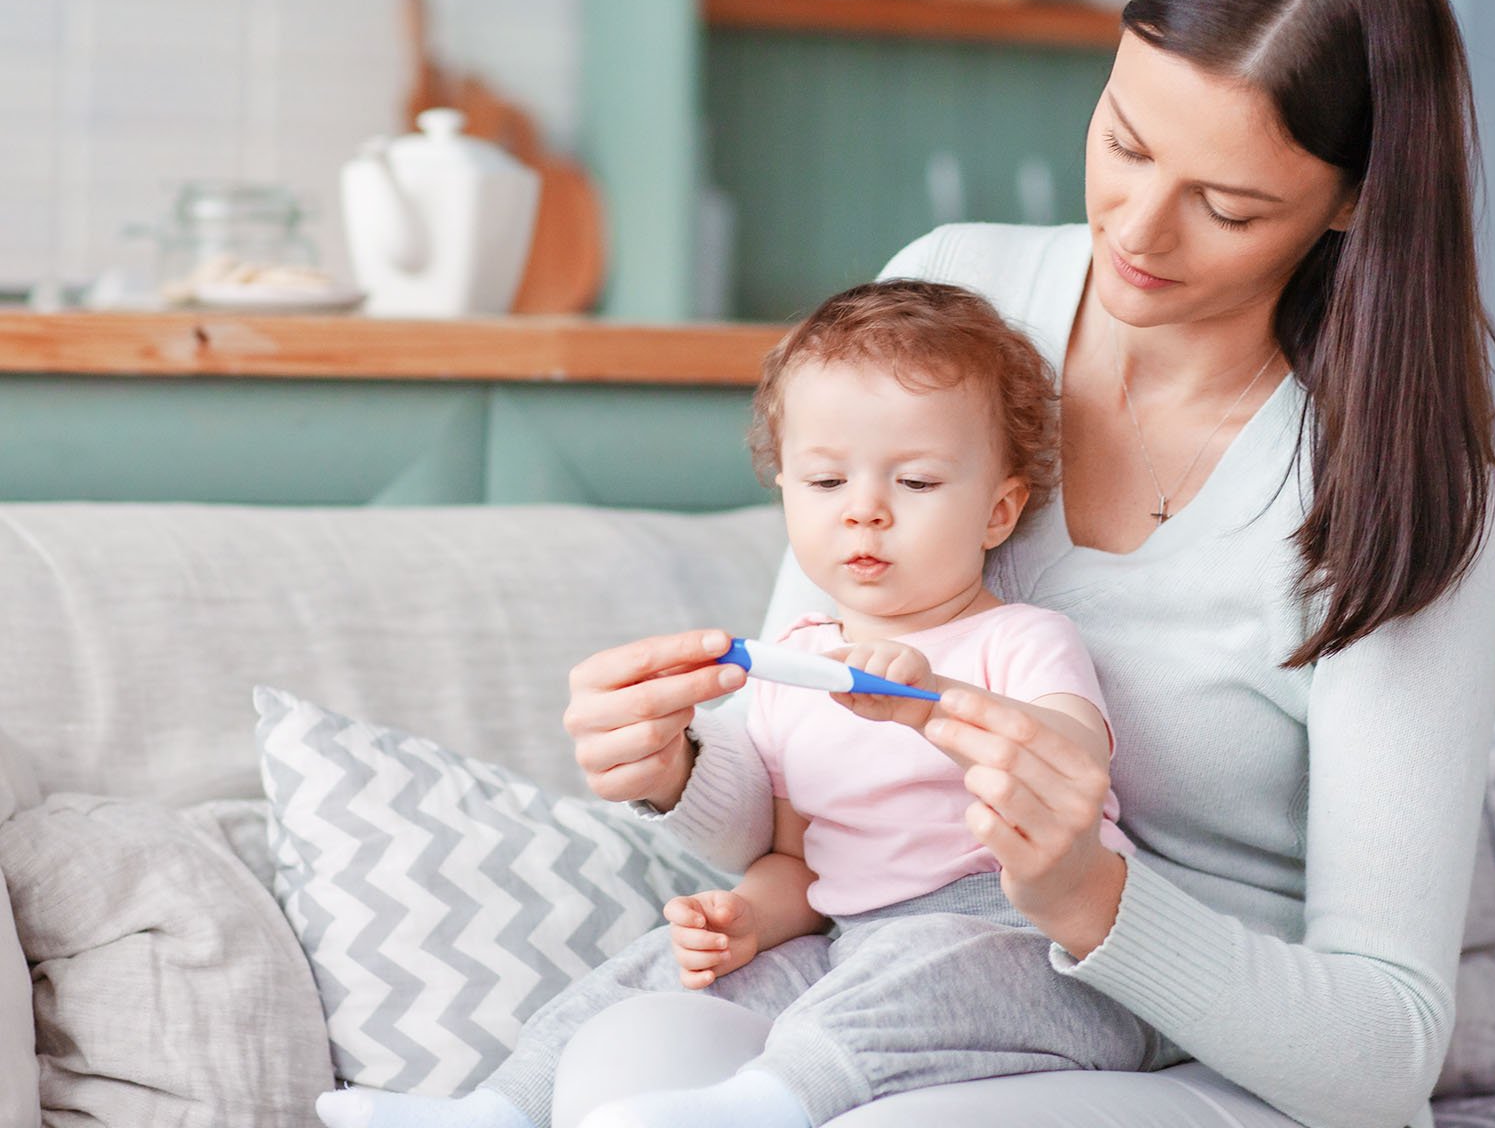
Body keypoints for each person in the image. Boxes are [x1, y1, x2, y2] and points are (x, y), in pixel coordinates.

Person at [559, 0, 1495, 1128]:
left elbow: (1386, 1053)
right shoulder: (960, 291)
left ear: (1350, 202)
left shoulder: (1395, 468)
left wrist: (1088, 894)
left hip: (1209, 1062)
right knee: (623, 1062)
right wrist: (675, 762)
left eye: (1227, 206)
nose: (1138, 229)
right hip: (892, 987)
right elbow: (798, 779)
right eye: (1122, 139)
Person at [315, 281, 1179, 1128]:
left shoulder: (1022, 639)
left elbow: (1070, 762)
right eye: (826, 481)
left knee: (923, 960)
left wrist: (933, 700)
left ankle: (772, 1101)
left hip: (1042, 948)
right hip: (855, 944)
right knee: (660, 968)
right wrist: (742, 920)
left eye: (914, 483)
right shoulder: (796, 662)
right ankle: (499, 1106)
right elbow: (805, 868)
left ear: (997, 511)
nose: (865, 514)